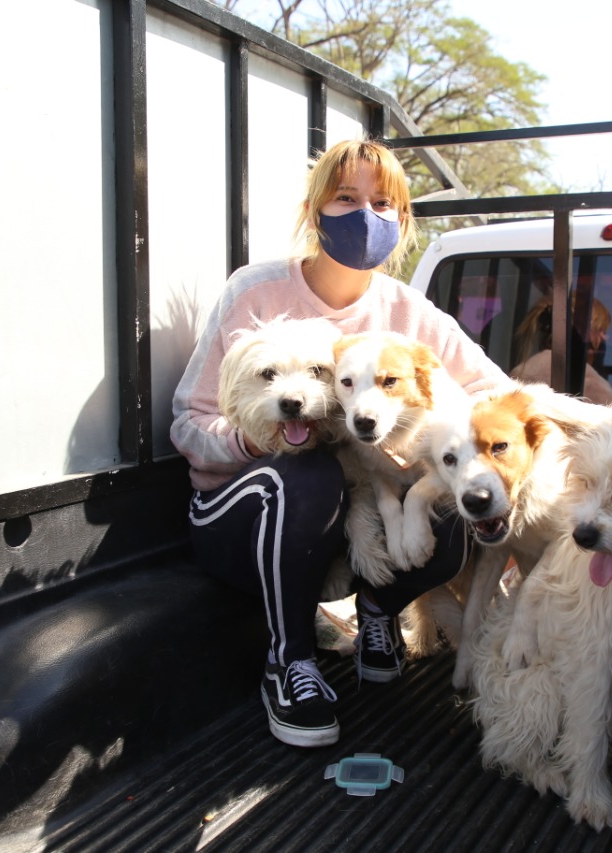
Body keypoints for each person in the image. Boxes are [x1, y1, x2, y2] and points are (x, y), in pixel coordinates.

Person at [170, 139, 507, 748]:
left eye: (383, 203)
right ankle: (288, 660)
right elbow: (188, 421)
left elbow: (493, 395)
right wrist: (255, 441)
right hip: (242, 520)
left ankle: (379, 609)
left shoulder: (409, 313)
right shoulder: (256, 292)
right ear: (314, 208)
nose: (365, 215)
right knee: (307, 473)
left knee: (455, 500)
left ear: (402, 222)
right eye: (346, 198)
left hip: (360, 513)